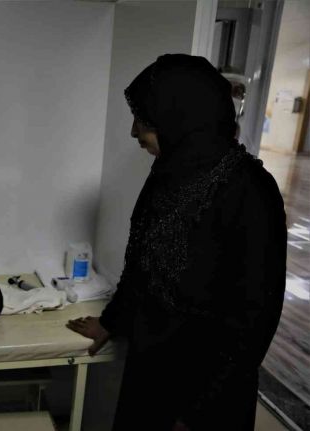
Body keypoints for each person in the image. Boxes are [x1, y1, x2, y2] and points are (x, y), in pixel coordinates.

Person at [67, 54, 286, 431]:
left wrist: (197, 415)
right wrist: (111, 321)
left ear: (179, 115)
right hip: (152, 369)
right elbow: (142, 265)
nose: (133, 132)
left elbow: (255, 318)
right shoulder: (168, 176)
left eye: (142, 119)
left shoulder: (251, 190)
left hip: (208, 392)